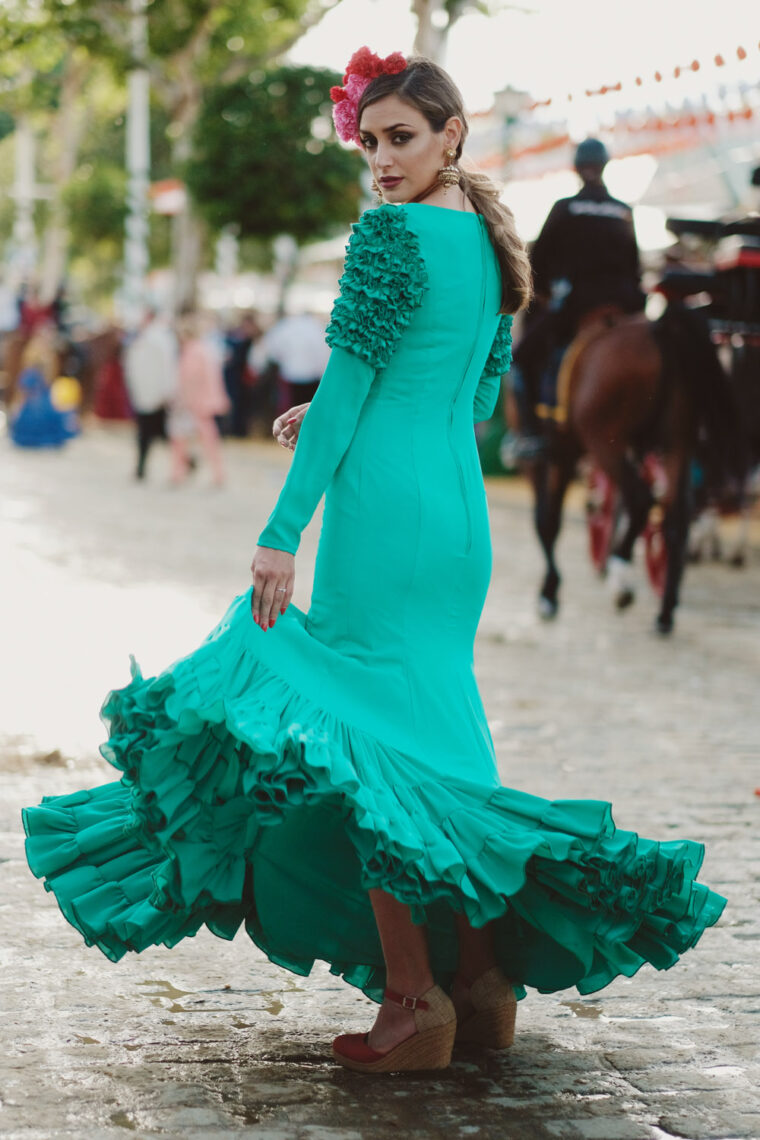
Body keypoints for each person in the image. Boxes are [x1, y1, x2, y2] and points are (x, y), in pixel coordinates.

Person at [23, 51, 725, 1075]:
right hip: (456, 520)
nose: (383, 160)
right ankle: (481, 986)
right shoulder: (490, 240)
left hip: (381, 518)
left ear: (450, 135)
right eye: (370, 142)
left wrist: (282, 530)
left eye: (401, 138)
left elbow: (357, 390)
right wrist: (336, 412)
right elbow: (467, 399)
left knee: (365, 752)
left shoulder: (391, 236)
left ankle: (411, 999)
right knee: (432, 743)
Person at [511, 138, 645, 458]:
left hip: (578, 305)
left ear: (577, 168)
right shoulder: (624, 211)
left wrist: (544, 294)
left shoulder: (565, 208)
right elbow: (634, 266)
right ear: (604, 166)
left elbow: (537, 263)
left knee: (522, 357)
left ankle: (532, 433)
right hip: (625, 307)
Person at [168, 311, 231, 487]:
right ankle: (217, 473)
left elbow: (191, 379)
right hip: (205, 402)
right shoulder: (204, 349)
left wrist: (182, 400)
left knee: (180, 438)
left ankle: (179, 472)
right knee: (208, 439)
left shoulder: (192, 352)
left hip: (194, 403)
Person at [123, 308, 177, 480]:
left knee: (159, 431)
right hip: (145, 392)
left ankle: (183, 461)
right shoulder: (142, 338)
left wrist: (167, 391)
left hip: (156, 394)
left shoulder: (161, 339)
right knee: (149, 431)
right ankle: (142, 467)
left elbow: (168, 367)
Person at [251, 310, 330, 417]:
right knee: (308, 410)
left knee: (291, 409)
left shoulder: (285, 326)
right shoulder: (317, 328)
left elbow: (272, 349)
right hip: (312, 377)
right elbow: (324, 354)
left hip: (290, 374)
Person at [223, 311, 261, 438]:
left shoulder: (252, 340)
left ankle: (241, 429)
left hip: (247, 378)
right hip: (237, 377)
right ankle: (236, 429)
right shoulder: (238, 338)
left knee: (245, 405)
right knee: (237, 404)